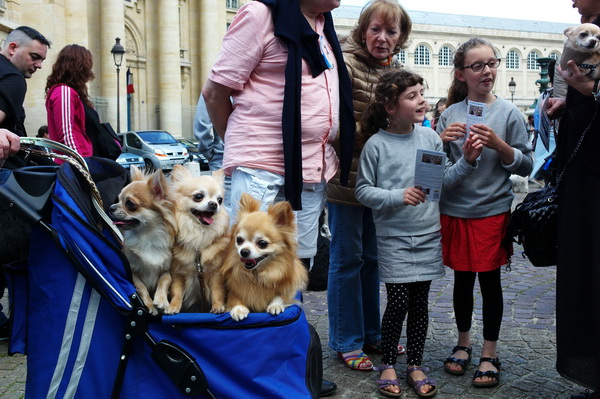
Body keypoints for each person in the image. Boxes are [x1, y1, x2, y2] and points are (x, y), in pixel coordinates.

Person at [202, 0, 355, 396]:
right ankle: (244, 374)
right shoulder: (260, 14)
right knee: (245, 268)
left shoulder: (322, 24)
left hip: (310, 168)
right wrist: (242, 144)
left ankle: (286, 368)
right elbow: (215, 91)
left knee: (293, 272)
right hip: (264, 166)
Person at [355, 70, 481, 397]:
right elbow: (363, 192)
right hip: (394, 238)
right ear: (390, 107)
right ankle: (387, 365)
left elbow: (439, 184)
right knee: (397, 303)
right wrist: (398, 195)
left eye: (421, 93)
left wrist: (466, 161)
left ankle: (414, 364)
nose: (422, 100)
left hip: (426, 234)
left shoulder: (430, 138)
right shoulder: (376, 145)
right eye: (412, 96)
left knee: (420, 304)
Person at [436, 37, 533, 388]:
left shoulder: (508, 113)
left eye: (492, 63)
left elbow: (526, 165)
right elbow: (436, 175)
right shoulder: (449, 114)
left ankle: (489, 352)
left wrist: (500, 146)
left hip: (492, 211)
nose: (487, 70)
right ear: (461, 74)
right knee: (461, 280)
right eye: (477, 66)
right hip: (455, 211)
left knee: (490, 283)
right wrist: (442, 141)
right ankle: (463, 344)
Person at [326, 0, 410, 372]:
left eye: (391, 31)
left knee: (374, 260)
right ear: (362, 30)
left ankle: (372, 333)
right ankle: (346, 340)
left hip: (380, 182)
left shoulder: (394, 70)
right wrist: (378, 134)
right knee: (347, 260)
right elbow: (329, 126)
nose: (383, 38)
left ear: (401, 37)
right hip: (347, 179)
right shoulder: (343, 63)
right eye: (376, 29)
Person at [547, 1, 600, 397]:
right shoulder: (589, 32)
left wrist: (591, 89)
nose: (574, 3)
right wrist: (573, 100)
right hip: (584, 177)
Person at [0, 26, 50, 342]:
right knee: (23, 251)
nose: (38, 65)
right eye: (34, 56)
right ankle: (28, 323)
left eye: (42, 59)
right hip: (12, 181)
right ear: (12, 47)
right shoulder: (13, 79)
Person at [45, 44, 95, 163]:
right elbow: (67, 135)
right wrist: (80, 164)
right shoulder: (64, 91)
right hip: (74, 163)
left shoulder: (67, 92)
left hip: (75, 161)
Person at [192, 93, 231, 213]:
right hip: (263, 157)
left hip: (224, 156)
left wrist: (210, 154)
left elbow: (203, 124)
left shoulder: (221, 79)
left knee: (224, 211)